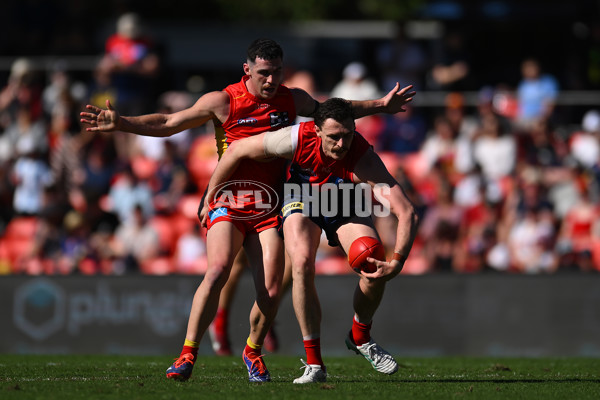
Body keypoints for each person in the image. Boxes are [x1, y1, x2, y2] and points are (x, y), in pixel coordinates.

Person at [80, 38, 416, 383]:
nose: (271, 81)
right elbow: (168, 122)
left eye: (277, 73)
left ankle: (254, 350)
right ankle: (189, 354)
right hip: (231, 196)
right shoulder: (222, 101)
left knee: (272, 291)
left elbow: (333, 115)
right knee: (221, 270)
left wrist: (379, 104)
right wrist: (123, 123)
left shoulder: (293, 99)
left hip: (272, 200)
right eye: (264, 73)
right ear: (247, 70)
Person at [202, 98, 419, 383]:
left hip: (343, 201)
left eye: (347, 136)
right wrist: (211, 195)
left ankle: (360, 335)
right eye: (334, 137)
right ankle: (315, 363)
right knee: (302, 262)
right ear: (316, 131)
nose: (341, 145)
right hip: (301, 198)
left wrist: (398, 261)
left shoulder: (363, 157)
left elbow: (407, 212)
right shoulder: (294, 137)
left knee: (372, 260)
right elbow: (238, 150)